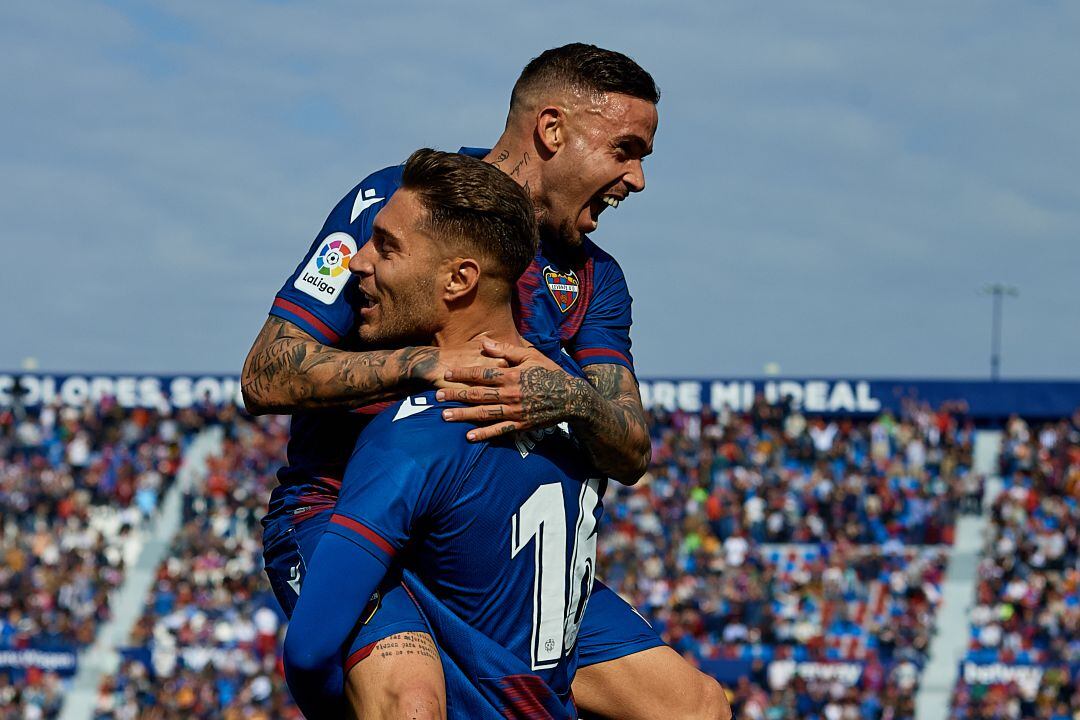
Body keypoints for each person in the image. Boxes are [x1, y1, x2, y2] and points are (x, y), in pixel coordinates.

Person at [244, 44, 730, 720]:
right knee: (412, 701)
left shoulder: (595, 280)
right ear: (553, 130)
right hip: (348, 516)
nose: (638, 178)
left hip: (489, 550)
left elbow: (631, 448)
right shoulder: (397, 206)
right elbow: (265, 371)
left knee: (698, 707)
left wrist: (573, 399)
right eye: (625, 150)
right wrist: (425, 363)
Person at [285, 147, 603, 718]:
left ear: (459, 279)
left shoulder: (411, 439)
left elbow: (309, 651)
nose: (357, 261)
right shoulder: (573, 403)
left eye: (386, 245)